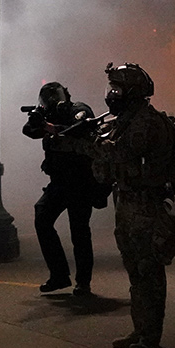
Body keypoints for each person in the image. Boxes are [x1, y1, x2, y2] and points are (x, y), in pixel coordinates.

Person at [53, 63, 175, 348]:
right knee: (134, 270)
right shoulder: (125, 119)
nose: (111, 95)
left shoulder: (146, 122)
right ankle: (140, 330)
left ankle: (151, 339)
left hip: (145, 204)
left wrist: (82, 143)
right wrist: (66, 136)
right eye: (110, 88)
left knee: (148, 270)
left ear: (133, 92)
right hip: (127, 201)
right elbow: (102, 143)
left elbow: (119, 152)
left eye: (117, 89)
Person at [22, 82, 109, 295]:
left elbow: (78, 131)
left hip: (81, 182)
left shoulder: (79, 110)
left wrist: (48, 126)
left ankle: (83, 282)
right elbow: (28, 131)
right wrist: (37, 119)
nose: (51, 104)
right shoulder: (48, 115)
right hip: (59, 182)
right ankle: (59, 275)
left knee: (79, 232)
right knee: (42, 217)